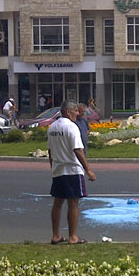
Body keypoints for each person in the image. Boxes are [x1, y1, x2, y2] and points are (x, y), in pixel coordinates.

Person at [47, 100, 96, 245]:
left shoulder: (52, 127)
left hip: (58, 169)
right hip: (72, 169)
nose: (77, 113)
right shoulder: (72, 127)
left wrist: (53, 167)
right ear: (68, 112)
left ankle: (56, 235)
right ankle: (73, 237)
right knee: (73, 203)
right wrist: (88, 170)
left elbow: (50, 151)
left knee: (57, 202)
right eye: (75, 111)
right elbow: (78, 150)